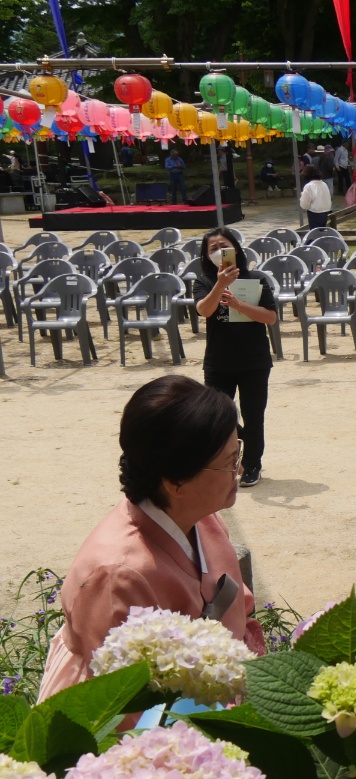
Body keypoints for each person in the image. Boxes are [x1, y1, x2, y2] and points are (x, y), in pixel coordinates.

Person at [37, 376, 268, 701]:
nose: (240, 471)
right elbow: (122, 704)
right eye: (230, 463)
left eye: (238, 453)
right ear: (175, 482)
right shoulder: (116, 576)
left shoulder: (202, 517)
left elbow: (236, 609)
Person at [191, 228, 277, 488]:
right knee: (216, 415)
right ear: (206, 255)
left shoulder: (257, 278)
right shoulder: (204, 282)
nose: (219, 251)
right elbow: (204, 310)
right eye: (213, 248)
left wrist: (239, 305)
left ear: (236, 249)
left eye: (224, 245)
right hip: (219, 361)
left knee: (254, 415)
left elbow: (270, 317)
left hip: (254, 360)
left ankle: (252, 464)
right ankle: (238, 450)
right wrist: (220, 285)